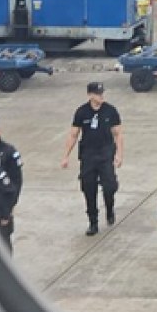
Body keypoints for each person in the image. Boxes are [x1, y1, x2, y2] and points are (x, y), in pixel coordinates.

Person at [61, 82, 124, 236]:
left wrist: (119, 154)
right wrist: (66, 156)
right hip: (88, 155)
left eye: (102, 93)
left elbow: (118, 134)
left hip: (105, 153)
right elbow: (73, 135)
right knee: (88, 188)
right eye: (97, 93)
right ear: (90, 95)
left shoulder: (110, 111)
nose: (101, 96)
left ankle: (109, 208)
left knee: (109, 186)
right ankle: (93, 222)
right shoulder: (82, 112)